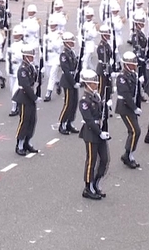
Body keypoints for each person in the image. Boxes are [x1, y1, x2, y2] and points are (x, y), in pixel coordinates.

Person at [79, 68, 109, 200]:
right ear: (86, 84)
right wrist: (99, 132)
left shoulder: (96, 96)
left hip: (100, 130)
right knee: (91, 161)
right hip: (91, 133)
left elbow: (102, 115)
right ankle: (88, 187)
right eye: (93, 83)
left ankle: (96, 182)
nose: (96, 85)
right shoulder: (84, 100)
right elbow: (89, 120)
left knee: (105, 159)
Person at [115, 51, 142, 168]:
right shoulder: (122, 77)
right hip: (125, 107)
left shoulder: (132, 74)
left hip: (130, 106)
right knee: (135, 131)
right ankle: (128, 155)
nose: (135, 65)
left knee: (132, 131)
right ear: (127, 64)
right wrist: (134, 108)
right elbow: (126, 95)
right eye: (133, 63)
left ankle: (128, 154)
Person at [13, 44, 39, 156]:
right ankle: (19, 144)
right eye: (30, 56)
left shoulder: (30, 67)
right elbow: (26, 85)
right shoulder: (22, 69)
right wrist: (35, 97)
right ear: (25, 56)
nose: (32, 58)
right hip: (24, 97)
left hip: (30, 96)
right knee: (24, 121)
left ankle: (27, 142)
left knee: (32, 121)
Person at [57, 32, 81, 135]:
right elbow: (66, 70)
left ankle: (69, 123)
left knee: (74, 103)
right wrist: (73, 82)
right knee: (68, 104)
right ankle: (62, 124)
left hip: (73, 79)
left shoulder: (72, 52)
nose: (73, 43)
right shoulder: (64, 54)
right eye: (71, 42)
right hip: (68, 81)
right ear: (66, 42)